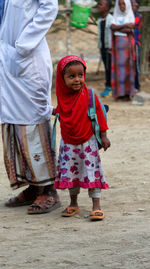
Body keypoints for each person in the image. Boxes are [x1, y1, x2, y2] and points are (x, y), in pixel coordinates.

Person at [0, 0, 61, 214]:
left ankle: (49, 189)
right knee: (14, 125)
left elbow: (50, 7)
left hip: (27, 57)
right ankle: (34, 187)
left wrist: (24, 44)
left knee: (34, 123)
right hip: (7, 60)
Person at [54, 55, 111, 221]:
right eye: (71, 76)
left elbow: (100, 116)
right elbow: (61, 111)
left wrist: (104, 136)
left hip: (87, 143)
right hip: (68, 144)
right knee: (72, 174)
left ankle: (96, 206)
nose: (77, 80)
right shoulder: (62, 98)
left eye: (80, 75)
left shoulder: (89, 95)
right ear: (61, 78)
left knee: (91, 172)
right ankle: (73, 203)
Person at [111, 0, 135, 100]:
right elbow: (112, 27)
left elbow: (130, 29)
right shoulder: (115, 15)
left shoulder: (130, 15)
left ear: (127, 5)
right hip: (117, 49)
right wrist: (124, 26)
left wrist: (118, 28)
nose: (122, 6)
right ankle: (119, 94)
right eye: (120, 4)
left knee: (127, 69)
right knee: (118, 70)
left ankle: (127, 94)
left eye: (123, 4)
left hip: (127, 48)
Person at [97, 0, 113, 97]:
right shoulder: (100, 20)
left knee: (110, 68)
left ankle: (110, 87)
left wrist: (112, 47)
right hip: (102, 47)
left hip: (109, 48)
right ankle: (108, 86)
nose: (98, 6)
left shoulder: (111, 19)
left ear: (107, 8)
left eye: (101, 4)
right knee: (106, 67)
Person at [132, 0, 142, 92]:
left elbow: (132, 25)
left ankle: (137, 85)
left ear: (137, 5)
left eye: (132, 2)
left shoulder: (138, 17)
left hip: (135, 44)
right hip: (129, 45)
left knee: (136, 66)